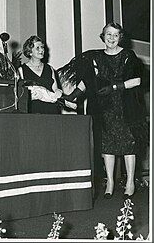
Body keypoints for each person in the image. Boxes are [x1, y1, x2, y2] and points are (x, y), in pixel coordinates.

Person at [59, 22, 148, 198]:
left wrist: (115, 86)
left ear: (120, 37)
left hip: (125, 106)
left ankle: (130, 182)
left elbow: (137, 80)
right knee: (107, 145)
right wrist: (72, 96)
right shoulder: (96, 56)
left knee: (128, 143)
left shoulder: (128, 55)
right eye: (109, 34)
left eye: (116, 35)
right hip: (103, 107)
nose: (112, 38)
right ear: (103, 36)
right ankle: (110, 183)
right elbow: (88, 80)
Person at [18, 35, 62, 114]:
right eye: (37, 48)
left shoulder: (49, 69)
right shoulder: (22, 70)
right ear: (30, 52)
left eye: (42, 47)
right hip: (32, 111)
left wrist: (58, 92)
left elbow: (55, 89)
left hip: (51, 111)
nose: (41, 50)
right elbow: (20, 94)